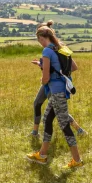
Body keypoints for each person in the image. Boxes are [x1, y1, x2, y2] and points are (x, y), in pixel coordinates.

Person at [26, 24, 84, 169]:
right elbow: (73, 67)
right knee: (47, 119)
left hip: (56, 92)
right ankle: (42, 155)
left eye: (39, 39)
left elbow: (45, 78)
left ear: (41, 38)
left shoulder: (47, 51)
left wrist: (45, 78)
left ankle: (77, 160)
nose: (39, 42)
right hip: (62, 90)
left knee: (64, 125)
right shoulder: (61, 47)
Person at [30, 21, 86, 139]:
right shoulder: (61, 47)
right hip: (52, 83)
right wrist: (42, 65)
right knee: (37, 103)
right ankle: (34, 133)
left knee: (59, 111)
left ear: (43, 36)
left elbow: (66, 67)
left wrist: (55, 75)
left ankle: (79, 130)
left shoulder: (52, 49)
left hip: (53, 84)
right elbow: (73, 67)